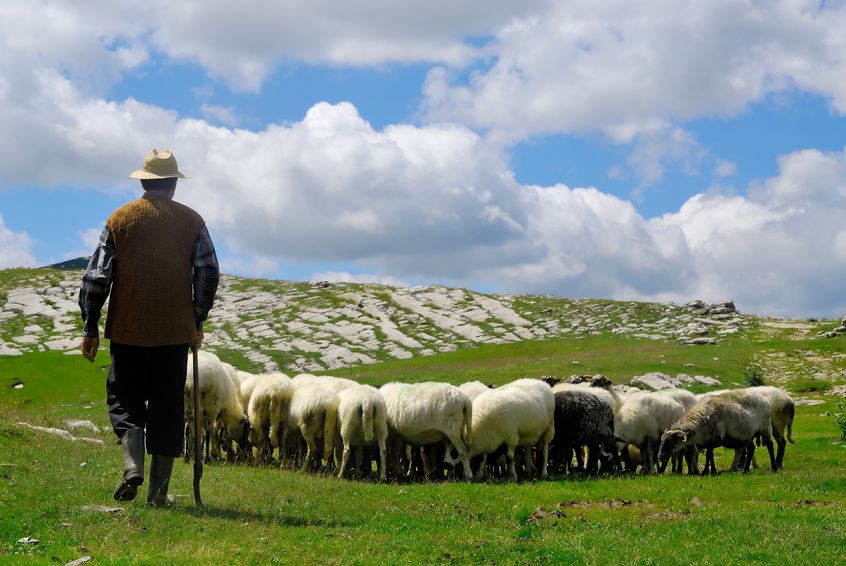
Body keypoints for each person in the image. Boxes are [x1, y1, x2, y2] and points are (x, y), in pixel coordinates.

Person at [78, 148, 220, 507]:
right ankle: (158, 494)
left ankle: (132, 467)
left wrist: (90, 326)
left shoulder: (120, 219)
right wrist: (196, 318)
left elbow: (97, 276)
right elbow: (208, 271)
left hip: (127, 331)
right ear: (173, 184)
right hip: (174, 333)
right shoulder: (192, 222)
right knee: (168, 406)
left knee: (123, 399)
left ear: (143, 181)